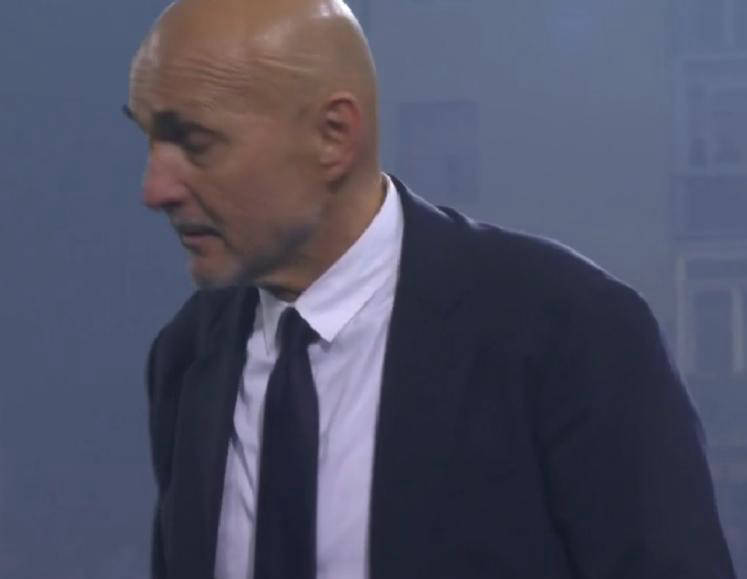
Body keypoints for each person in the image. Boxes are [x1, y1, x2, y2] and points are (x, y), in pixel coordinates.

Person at [127, 0, 736, 578]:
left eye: (197, 144)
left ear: (333, 136)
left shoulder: (570, 334)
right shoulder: (187, 356)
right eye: (149, 139)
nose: (156, 190)